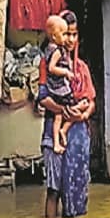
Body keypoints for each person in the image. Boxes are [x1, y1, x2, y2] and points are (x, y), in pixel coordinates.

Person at [38, 11, 96, 218]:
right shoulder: (47, 64)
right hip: (53, 130)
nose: (70, 39)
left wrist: (82, 114)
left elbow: (91, 102)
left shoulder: (82, 68)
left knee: (78, 185)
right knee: (53, 189)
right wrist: (64, 110)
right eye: (67, 34)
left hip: (79, 133)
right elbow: (42, 98)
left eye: (74, 34)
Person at [44, 12, 76, 154]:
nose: (67, 39)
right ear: (54, 36)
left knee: (61, 114)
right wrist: (66, 73)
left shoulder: (49, 50)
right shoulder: (57, 52)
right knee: (68, 110)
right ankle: (60, 136)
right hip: (58, 88)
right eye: (64, 34)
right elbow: (51, 68)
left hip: (55, 88)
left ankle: (59, 138)